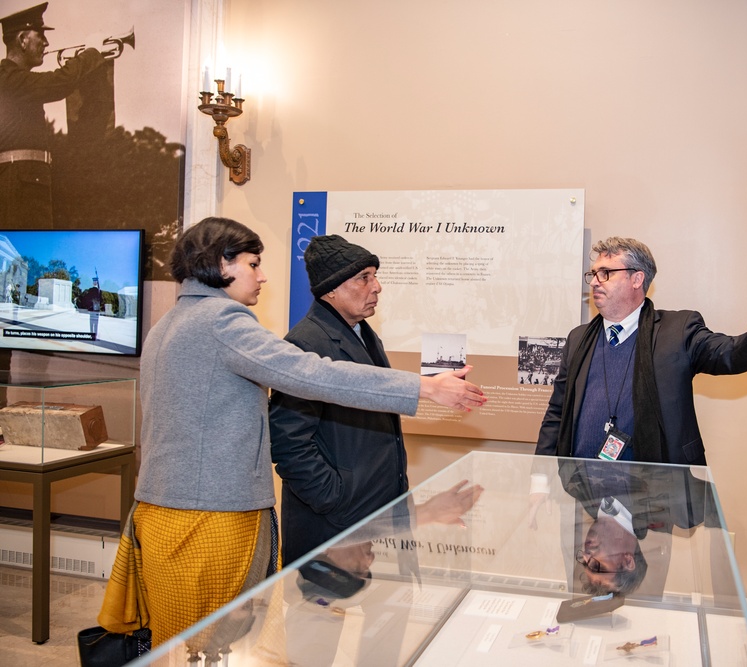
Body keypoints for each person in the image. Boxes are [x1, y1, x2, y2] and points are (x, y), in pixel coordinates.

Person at [96, 217, 486, 649]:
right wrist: (425, 387)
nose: (262, 276)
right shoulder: (222, 321)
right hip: (208, 518)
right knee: (207, 644)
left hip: (163, 512)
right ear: (219, 263)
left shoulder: (169, 323)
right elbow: (309, 373)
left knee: (183, 643)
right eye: (253, 264)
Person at [535, 236, 747, 464]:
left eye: (605, 273)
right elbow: (557, 412)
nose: (595, 281)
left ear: (637, 279)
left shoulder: (678, 330)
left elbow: (729, 355)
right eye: (593, 274)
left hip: (651, 498)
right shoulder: (578, 338)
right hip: (578, 491)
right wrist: (541, 481)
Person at [269, 235, 411, 564]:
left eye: (374, 275)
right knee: (320, 614)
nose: (376, 287)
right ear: (332, 289)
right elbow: (289, 442)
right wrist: (336, 498)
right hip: (331, 525)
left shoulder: (361, 331)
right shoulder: (306, 343)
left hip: (371, 515)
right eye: (364, 277)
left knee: (385, 611)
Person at [0, 3, 106, 228]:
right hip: (19, 182)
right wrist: (92, 52)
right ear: (22, 40)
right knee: (23, 257)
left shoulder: (15, 79)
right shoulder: (9, 78)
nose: (46, 43)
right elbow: (60, 83)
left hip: (27, 179)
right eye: (40, 36)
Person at [75, 273, 101, 337]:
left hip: (92, 309)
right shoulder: (99, 291)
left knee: (92, 322)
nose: (94, 283)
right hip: (96, 309)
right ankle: (95, 334)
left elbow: (87, 299)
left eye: (94, 282)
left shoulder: (91, 290)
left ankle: (92, 334)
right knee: (95, 323)